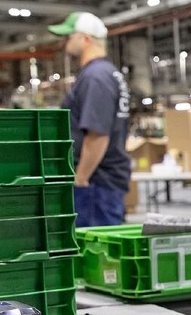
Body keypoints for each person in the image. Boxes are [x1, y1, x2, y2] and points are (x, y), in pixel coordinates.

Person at [48, 12, 132, 227]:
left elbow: (97, 135)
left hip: (95, 183)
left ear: (85, 39)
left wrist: (81, 178)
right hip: (101, 182)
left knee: (95, 254)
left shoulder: (96, 77)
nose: (64, 41)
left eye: (69, 36)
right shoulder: (105, 74)